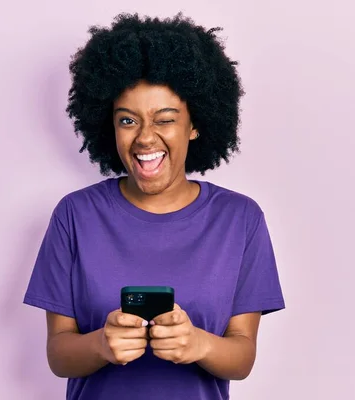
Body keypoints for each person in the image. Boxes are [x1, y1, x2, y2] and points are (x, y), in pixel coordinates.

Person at [23, 13, 285, 400]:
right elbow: (58, 354)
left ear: (194, 125)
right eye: (128, 120)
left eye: (165, 120)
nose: (145, 138)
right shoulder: (75, 215)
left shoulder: (240, 219)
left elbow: (243, 356)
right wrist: (100, 346)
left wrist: (200, 345)